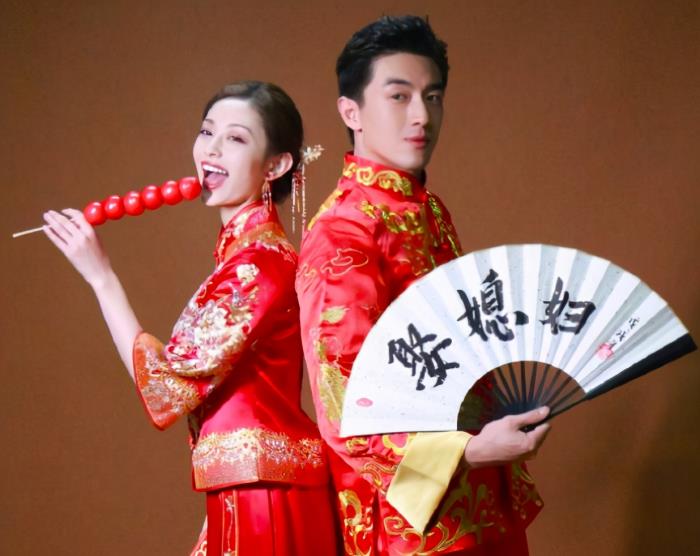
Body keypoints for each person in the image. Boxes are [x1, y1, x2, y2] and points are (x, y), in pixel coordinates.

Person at [42, 81, 338, 556]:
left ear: (276, 166)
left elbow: (166, 386)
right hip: (254, 484)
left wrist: (102, 278)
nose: (212, 150)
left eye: (236, 138)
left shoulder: (258, 266)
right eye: (206, 132)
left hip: (263, 494)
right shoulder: (247, 257)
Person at [296, 16, 550, 555]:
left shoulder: (428, 209)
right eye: (399, 96)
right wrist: (470, 452)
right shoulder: (343, 232)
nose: (422, 116)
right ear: (350, 112)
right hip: (411, 526)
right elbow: (344, 404)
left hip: (484, 494)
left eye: (433, 97)